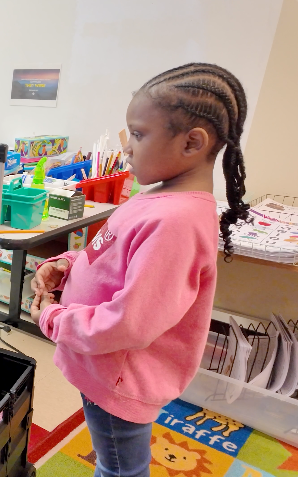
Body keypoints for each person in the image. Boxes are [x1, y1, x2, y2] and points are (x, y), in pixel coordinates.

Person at [30, 63, 250, 477]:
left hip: (120, 378)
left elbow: (131, 322)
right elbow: (110, 258)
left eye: (138, 134)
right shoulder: (157, 198)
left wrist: (53, 318)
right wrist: (66, 265)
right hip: (101, 367)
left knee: (120, 469)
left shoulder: (176, 222)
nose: (127, 147)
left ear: (192, 143)